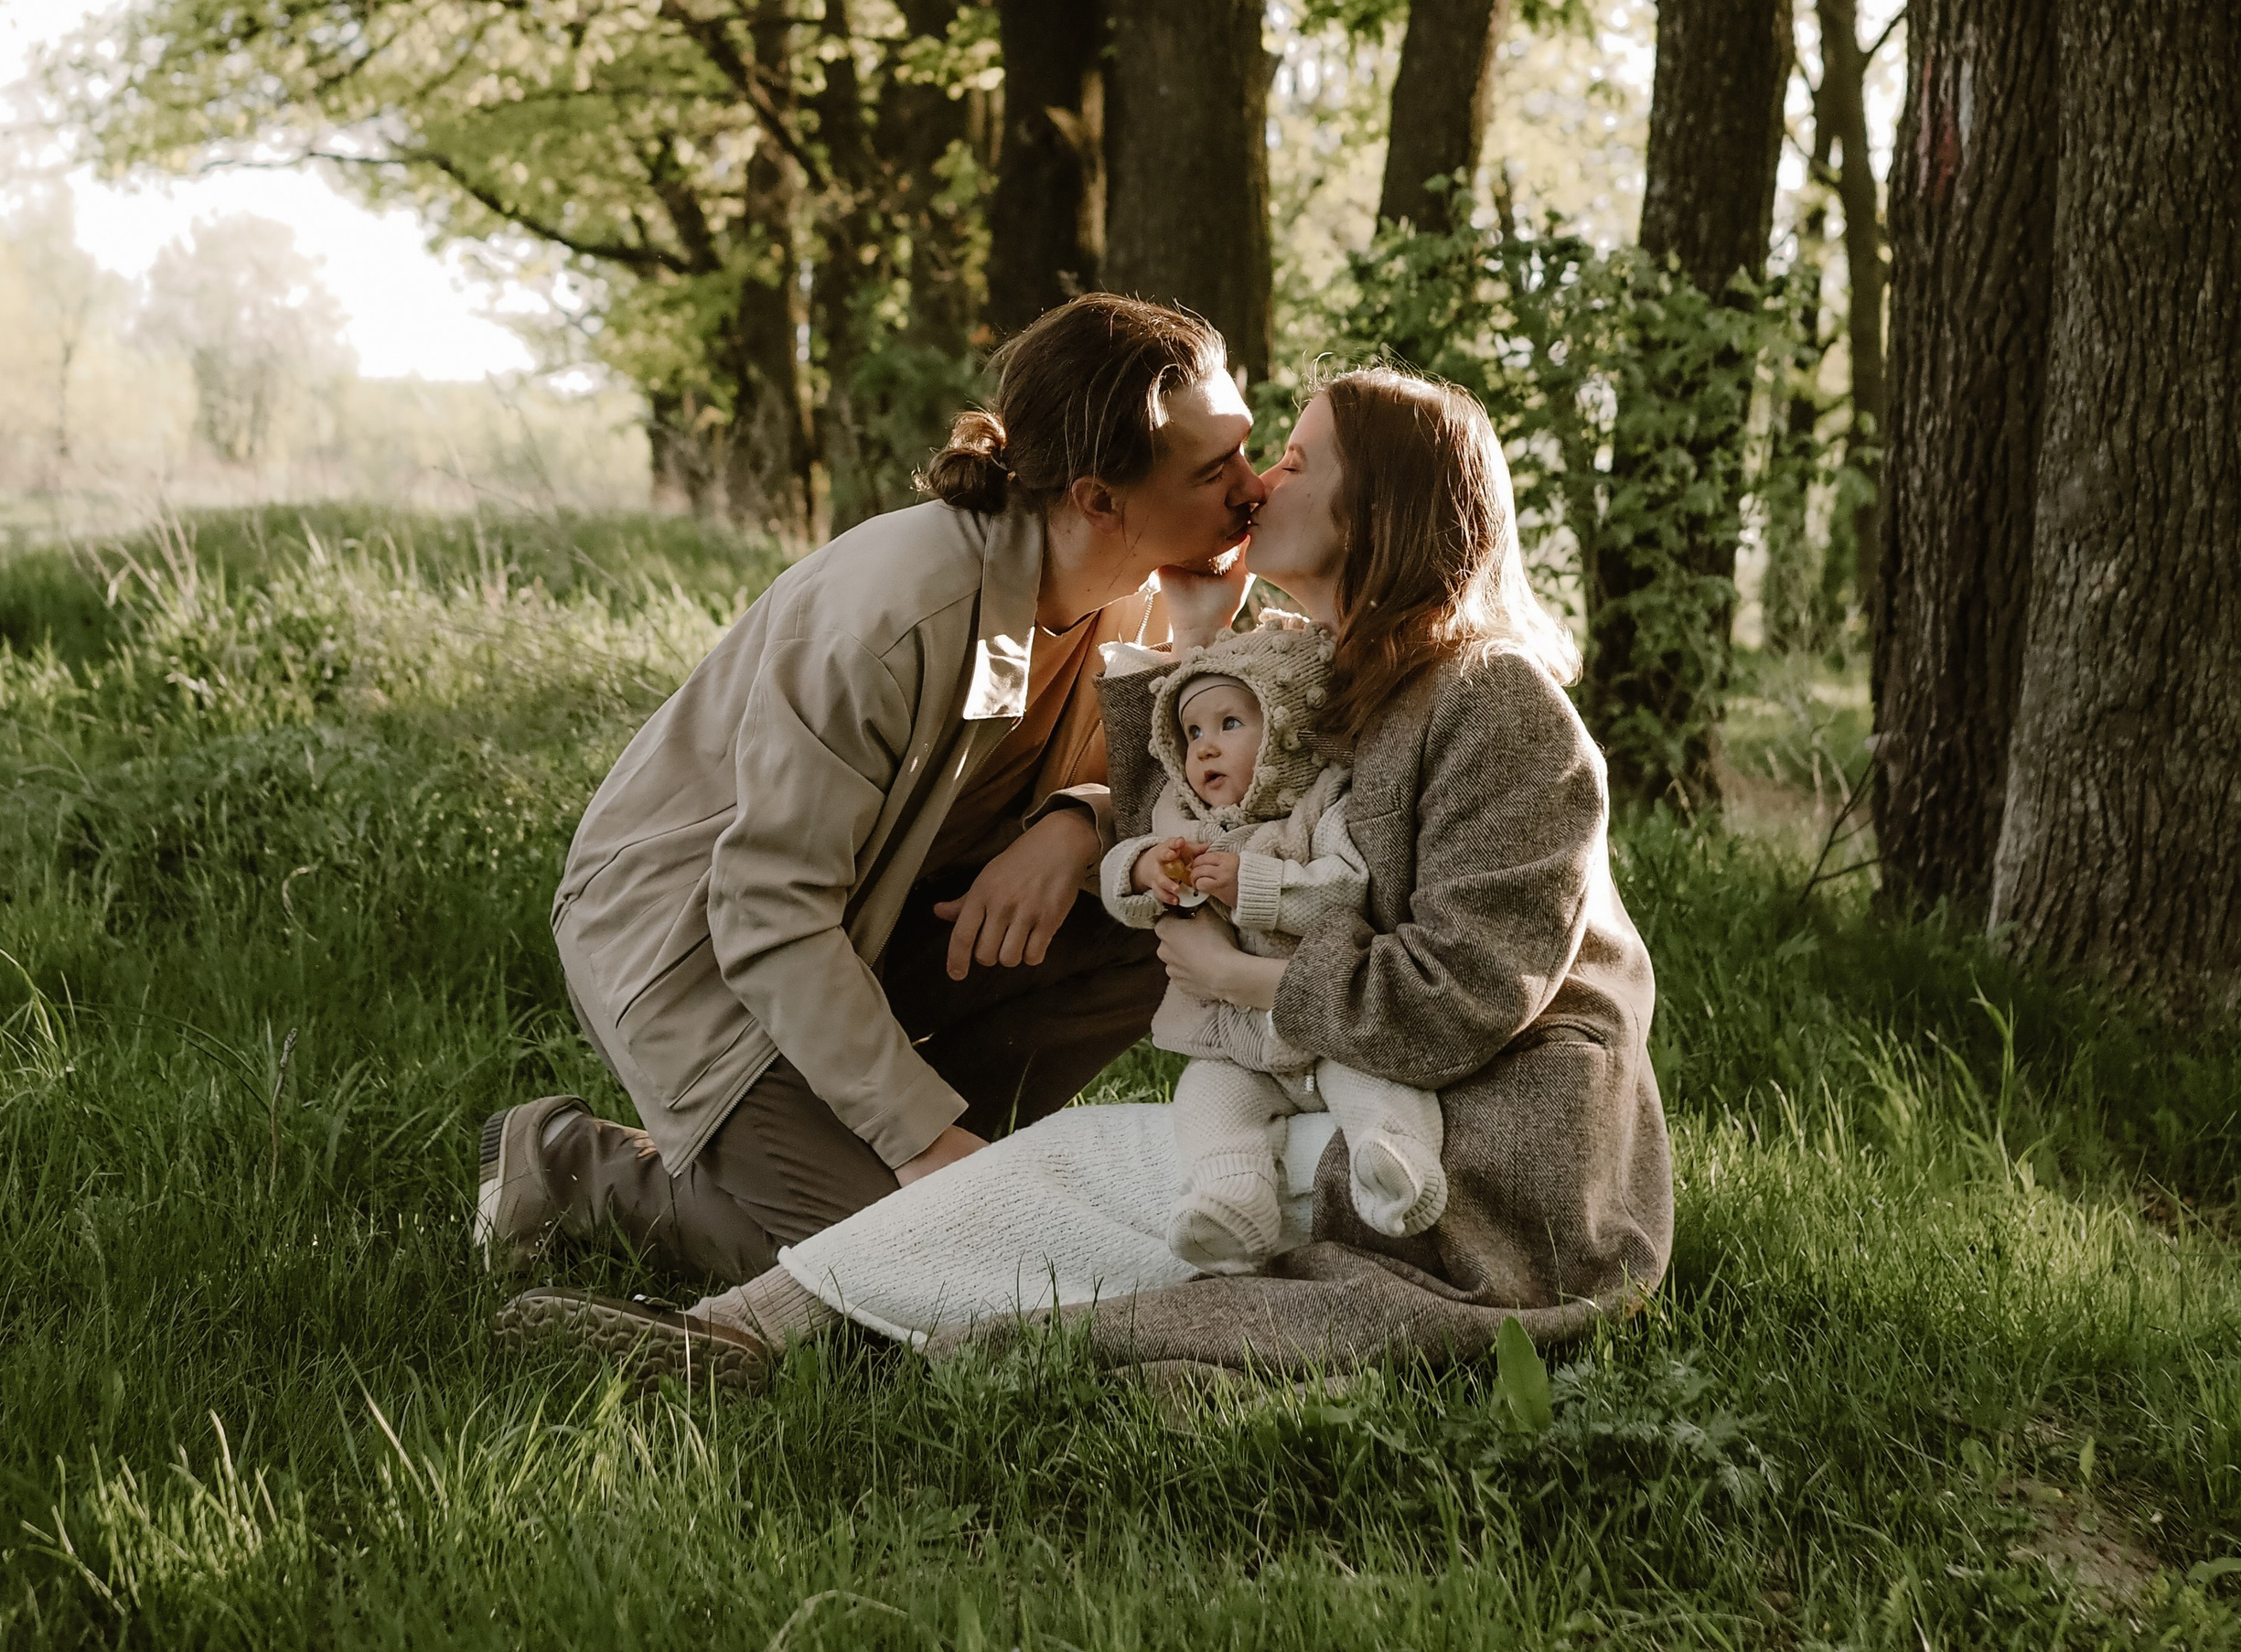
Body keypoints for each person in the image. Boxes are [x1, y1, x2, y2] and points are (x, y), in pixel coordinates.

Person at [496, 365, 1674, 1390]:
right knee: (1057, 1196)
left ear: (1379, 508)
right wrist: (1188, 646)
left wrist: (1242, 979)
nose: (1259, 483)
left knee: (1062, 1199)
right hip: (1336, 1097)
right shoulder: (1320, 669)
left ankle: (734, 1329)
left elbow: (1465, 992)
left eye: (1294, 459)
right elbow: (1178, 855)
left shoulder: (1497, 699)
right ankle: (730, 1331)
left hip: (1483, 1157)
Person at [475, 291, 1266, 1297]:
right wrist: (917, 1137)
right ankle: (569, 1167)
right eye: (1215, 469)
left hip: (874, 915)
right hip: (698, 941)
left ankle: (924, 1165)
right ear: (1097, 498)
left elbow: (1195, 817)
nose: (1253, 488)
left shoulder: (1143, 587)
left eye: (1246, 450)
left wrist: (1083, 816)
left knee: (1154, 911)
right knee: (909, 1279)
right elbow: (764, 908)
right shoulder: (891, 614)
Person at [1099, 624, 1448, 1267]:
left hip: (1325, 1027)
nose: (1205, 748)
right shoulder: (1184, 821)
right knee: (1207, 1099)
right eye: (1192, 733)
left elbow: (1346, 887)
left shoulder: (1323, 808)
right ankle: (1231, 1201)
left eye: (1229, 723)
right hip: (1236, 1044)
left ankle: (1395, 1162)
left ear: (1287, 733)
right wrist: (1145, 871)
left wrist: (1252, 885)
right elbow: (1125, 884)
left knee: (1375, 1083)